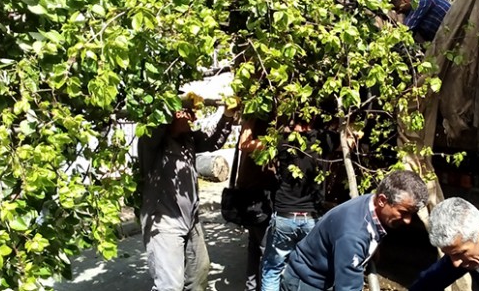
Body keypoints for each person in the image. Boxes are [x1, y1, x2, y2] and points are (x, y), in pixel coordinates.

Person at [138, 93, 237, 291]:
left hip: (191, 221)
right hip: (164, 224)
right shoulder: (152, 144)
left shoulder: (188, 140)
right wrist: (173, 102)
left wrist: (227, 114)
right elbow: (156, 125)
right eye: (188, 113)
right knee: (170, 286)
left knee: (199, 273)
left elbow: (212, 141)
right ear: (174, 114)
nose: (193, 118)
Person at [280, 170, 429, 291]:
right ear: (382, 200)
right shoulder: (354, 235)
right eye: (403, 212)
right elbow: (348, 288)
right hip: (305, 283)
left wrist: (371, 248)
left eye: (412, 214)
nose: (408, 220)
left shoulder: (370, 203)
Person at [261, 114, 342, 291]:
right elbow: (351, 139)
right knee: (310, 269)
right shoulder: (324, 139)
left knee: (272, 268)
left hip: (285, 215)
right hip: (312, 217)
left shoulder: (282, 142)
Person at [235, 117, 278, 291]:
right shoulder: (257, 116)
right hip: (256, 192)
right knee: (265, 247)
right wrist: (272, 143)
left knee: (254, 243)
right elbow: (243, 144)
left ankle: (251, 287)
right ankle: (258, 286)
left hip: (261, 191)